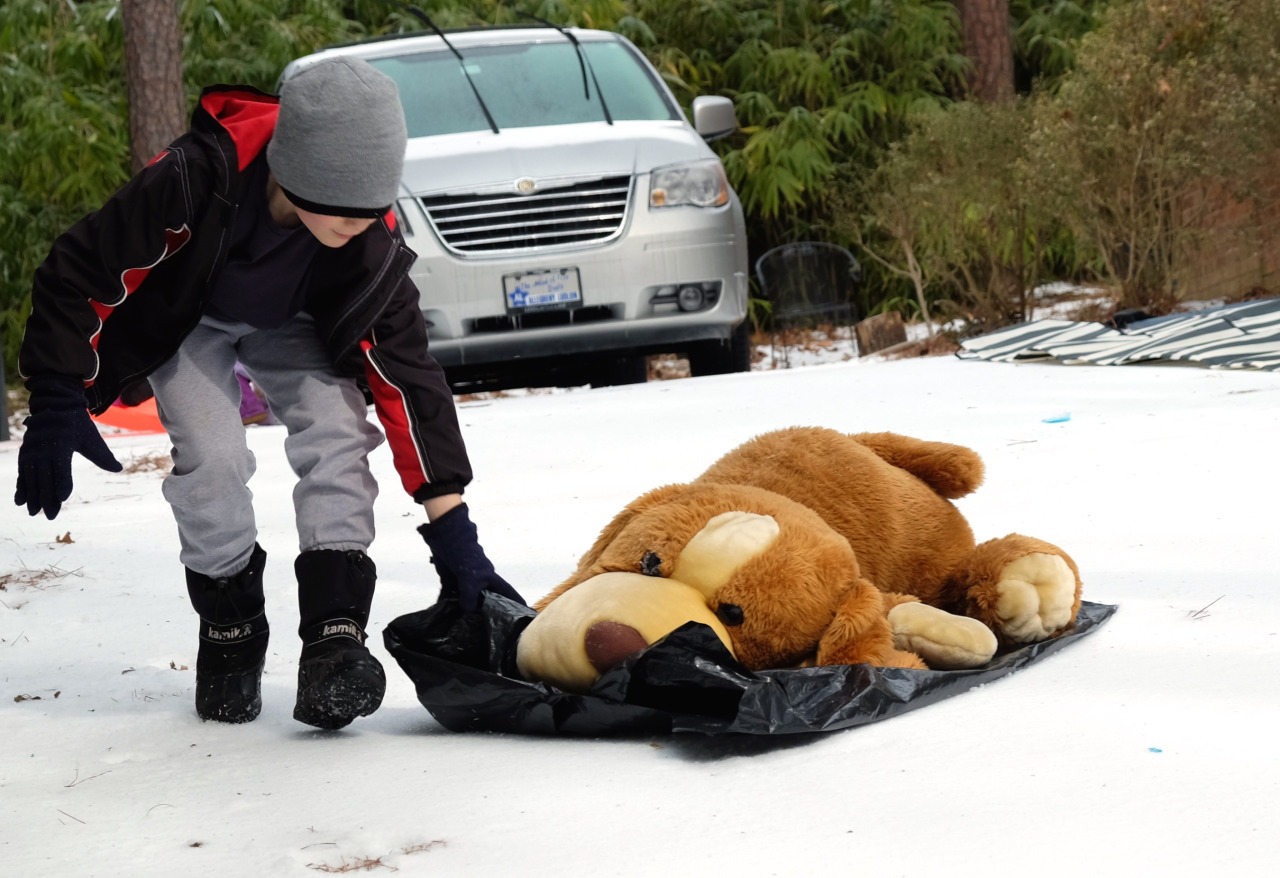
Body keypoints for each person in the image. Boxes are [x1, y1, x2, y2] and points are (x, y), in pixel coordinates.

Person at [12, 57, 525, 730]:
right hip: (187, 320)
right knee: (214, 453)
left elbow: (408, 375)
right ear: (294, 172)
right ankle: (231, 624)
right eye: (342, 210)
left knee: (339, 432)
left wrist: (455, 535)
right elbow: (79, 269)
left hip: (296, 320)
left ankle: (334, 639)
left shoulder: (368, 236)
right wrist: (55, 396)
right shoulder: (196, 175)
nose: (358, 224)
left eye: (370, 211)